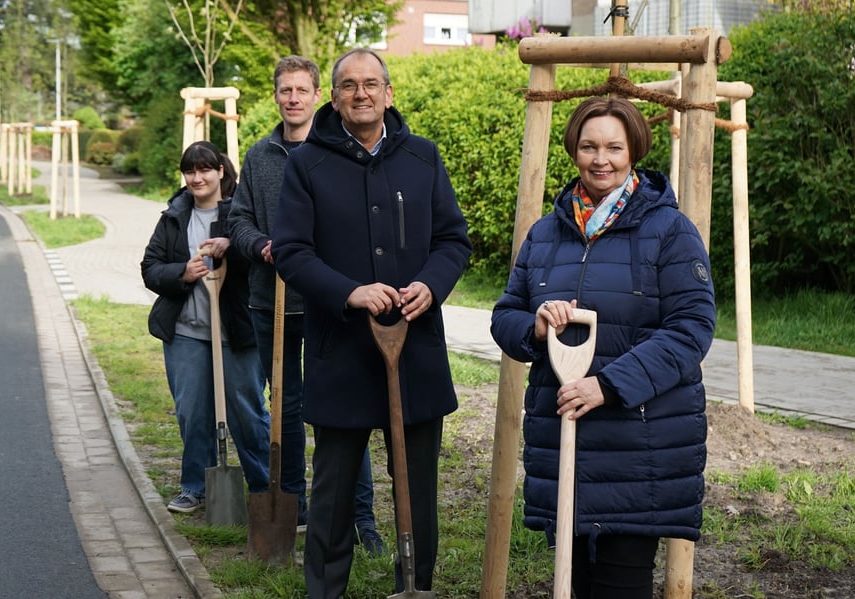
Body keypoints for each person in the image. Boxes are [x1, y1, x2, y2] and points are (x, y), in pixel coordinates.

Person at [490, 96, 716, 598]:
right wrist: (537, 328)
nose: (601, 159)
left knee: (619, 583)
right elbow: (505, 316)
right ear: (573, 149)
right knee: (573, 581)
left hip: (639, 447)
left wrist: (608, 385)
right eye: (589, 146)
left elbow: (692, 327)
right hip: (563, 443)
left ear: (634, 149)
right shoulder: (546, 234)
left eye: (614, 146)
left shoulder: (669, 231)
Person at [272, 48, 472, 598]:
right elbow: (290, 251)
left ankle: (416, 585)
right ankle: (325, 591)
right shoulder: (305, 165)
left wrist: (431, 284)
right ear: (332, 98)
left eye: (371, 84)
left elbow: (454, 240)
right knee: (333, 491)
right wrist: (350, 291)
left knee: (418, 488)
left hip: (416, 350)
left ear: (388, 93)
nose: (361, 93)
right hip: (342, 352)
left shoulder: (423, 158)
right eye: (348, 85)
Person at [227, 55, 384, 553]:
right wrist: (263, 247)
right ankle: (292, 507)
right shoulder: (259, 156)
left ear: (319, 95)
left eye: (301, 90)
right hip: (270, 302)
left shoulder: (337, 150)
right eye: (284, 91)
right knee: (286, 409)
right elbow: (239, 220)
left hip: (329, 303)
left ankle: (361, 518)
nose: (292, 98)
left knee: (342, 406)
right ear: (275, 97)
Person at [141, 141, 271, 513]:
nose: (197, 178)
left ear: (220, 172)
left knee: (246, 412)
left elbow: (258, 260)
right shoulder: (174, 215)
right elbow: (150, 268)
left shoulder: (238, 214)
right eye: (190, 171)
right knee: (191, 411)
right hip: (186, 333)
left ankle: (262, 487)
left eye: (205, 170)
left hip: (236, 332)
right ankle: (195, 487)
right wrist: (181, 272)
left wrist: (232, 246)